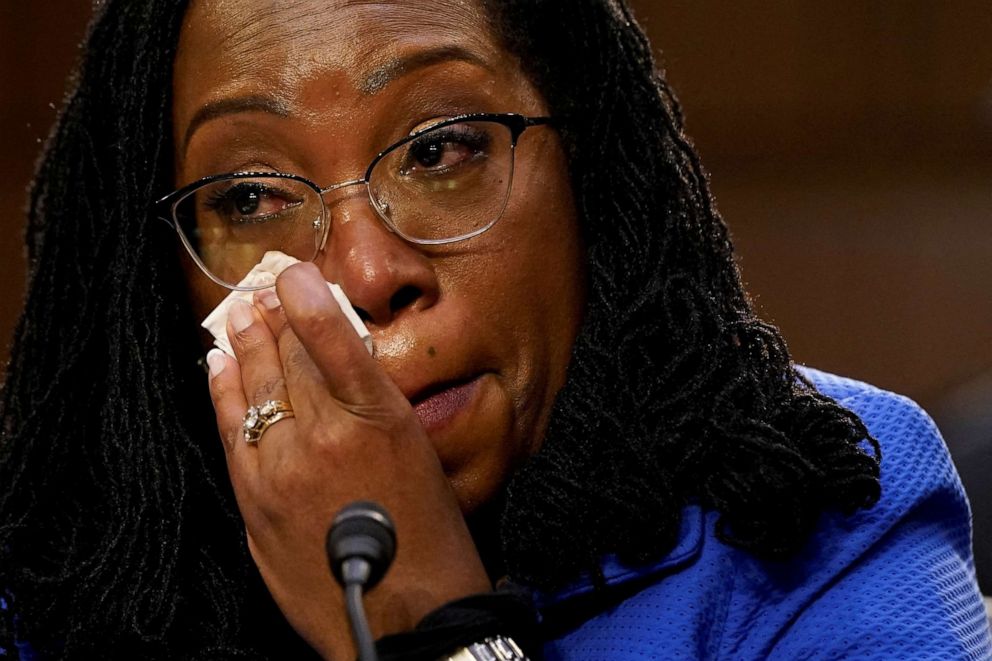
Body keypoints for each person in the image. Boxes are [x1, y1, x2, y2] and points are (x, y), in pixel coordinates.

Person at [0, 0, 989, 659]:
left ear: (591, 167)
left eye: (440, 149)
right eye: (250, 194)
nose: (365, 272)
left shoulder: (825, 515)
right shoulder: (55, 573)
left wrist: (437, 632)